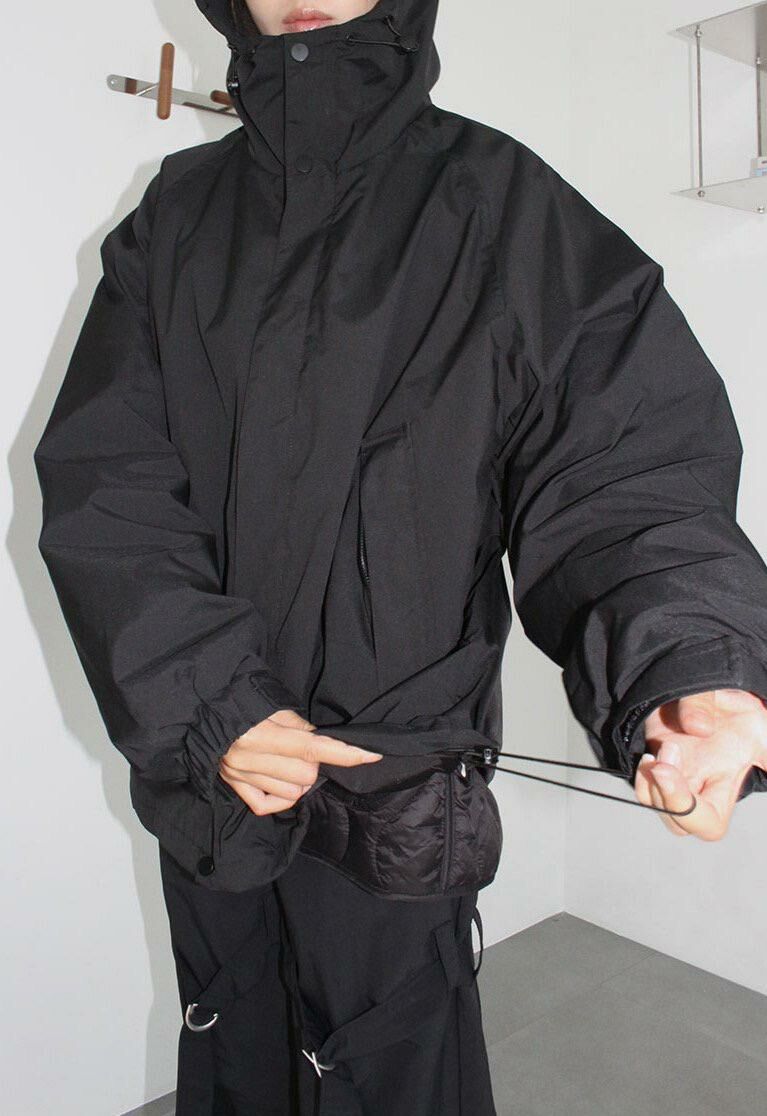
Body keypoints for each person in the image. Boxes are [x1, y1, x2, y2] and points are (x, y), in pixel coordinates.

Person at [33, 0, 767, 1112]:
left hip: (395, 788)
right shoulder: (176, 218)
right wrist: (208, 703)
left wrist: (690, 664)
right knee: (233, 1046)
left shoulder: (499, 204)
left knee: (390, 1072)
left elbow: (621, 464)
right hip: (218, 772)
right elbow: (108, 487)